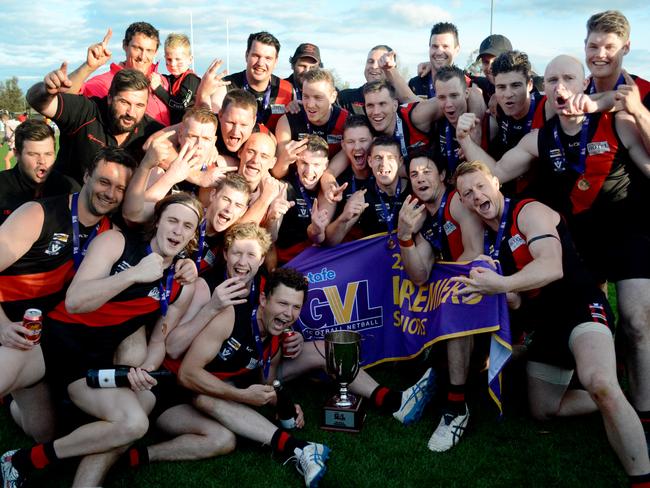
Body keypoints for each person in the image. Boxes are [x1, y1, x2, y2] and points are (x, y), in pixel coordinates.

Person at [455, 54, 650, 451]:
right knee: (579, 316)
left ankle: (643, 411)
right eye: (552, 80)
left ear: (585, 84)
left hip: (626, 233)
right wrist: (465, 141)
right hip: (579, 242)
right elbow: (495, 174)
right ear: (543, 88)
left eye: (568, 78)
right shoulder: (538, 138)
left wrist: (638, 112)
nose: (560, 87)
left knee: (637, 321)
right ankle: (608, 390)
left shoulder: (616, 120)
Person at [453, 160, 650, 485]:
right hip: (545, 326)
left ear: (496, 183)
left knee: (599, 382)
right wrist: (483, 289)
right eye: (467, 193)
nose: (476, 195)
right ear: (462, 202)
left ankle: (641, 475)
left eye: (480, 186)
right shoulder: (487, 239)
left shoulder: (528, 211)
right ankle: (619, 402)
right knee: (543, 409)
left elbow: (551, 267)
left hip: (579, 307)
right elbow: (515, 299)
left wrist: (500, 285)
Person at [0, 193, 201, 488]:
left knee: (132, 424)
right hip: (47, 344)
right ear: (157, 222)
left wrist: (145, 367)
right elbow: (75, 301)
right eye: (172, 220)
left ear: (193, 235)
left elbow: (160, 339)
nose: (177, 231)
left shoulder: (182, 284)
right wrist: (134, 274)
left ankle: (21, 461)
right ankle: (20, 398)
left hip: (89, 368)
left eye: (187, 226)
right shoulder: (117, 243)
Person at [0, 147, 137, 444]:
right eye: (104, 181)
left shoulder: (109, 234)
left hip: (37, 338)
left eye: (119, 188)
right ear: (86, 176)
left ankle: (15, 397)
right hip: (6, 324)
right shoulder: (37, 214)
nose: (110, 193)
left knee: (45, 433)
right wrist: (1, 326)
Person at [27, 65, 163, 183]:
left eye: (139, 105)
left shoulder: (151, 131)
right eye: (124, 102)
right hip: (65, 206)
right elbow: (37, 101)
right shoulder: (86, 111)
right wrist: (46, 90)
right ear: (110, 98)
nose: (131, 112)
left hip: (117, 210)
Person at [67, 22, 171, 125]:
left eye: (149, 50)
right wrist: (88, 67)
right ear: (125, 45)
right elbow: (67, 100)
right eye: (137, 48)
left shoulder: (165, 82)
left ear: (155, 52)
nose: (142, 57)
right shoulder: (103, 83)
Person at [584, 11, 650, 155]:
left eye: (609, 47)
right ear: (585, 46)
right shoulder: (577, 92)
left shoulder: (647, 92)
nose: (600, 54)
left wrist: (638, 110)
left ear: (625, 48)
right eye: (593, 46)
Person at [326, 136, 409, 245]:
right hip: (375, 259)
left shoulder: (414, 191)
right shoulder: (362, 197)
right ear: (370, 161)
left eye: (390, 158)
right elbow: (330, 241)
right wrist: (343, 218)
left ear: (400, 161)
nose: (384, 164)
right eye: (378, 158)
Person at [265, 135, 331, 265]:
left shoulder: (330, 190)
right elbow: (270, 239)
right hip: (289, 262)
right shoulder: (284, 187)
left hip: (320, 262)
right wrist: (272, 218)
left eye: (316, 164)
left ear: (326, 165)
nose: (309, 171)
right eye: (304, 163)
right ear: (296, 162)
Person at [0, 119, 79, 225]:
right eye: (33, 154)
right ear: (17, 154)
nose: (42, 161)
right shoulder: (2, 186)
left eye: (48, 154)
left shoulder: (68, 188)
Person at [273, 69, 347, 178]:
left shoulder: (346, 122)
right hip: (297, 182)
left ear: (333, 97)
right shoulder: (287, 121)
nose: (310, 104)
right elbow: (277, 173)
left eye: (318, 98)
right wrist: (284, 160)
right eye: (306, 96)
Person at [222, 32, 293, 132]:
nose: (260, 63)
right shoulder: (226, 86)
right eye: (256, 56)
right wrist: (204, 95)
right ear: (247, 55)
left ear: (275, 61)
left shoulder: (288, 90)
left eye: (268, 58)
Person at [429, 65, 485, 178]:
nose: (448, 104)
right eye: (442, 97)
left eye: (454, 96)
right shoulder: (435, 123)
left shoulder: (489, 125)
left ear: (466, 94)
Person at [151, 33, 201, 125]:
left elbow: (181, 104)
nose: (173, 64)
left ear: (190, 59)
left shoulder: (191, 79)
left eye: (178, 59)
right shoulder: (169, 79)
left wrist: (158, 89)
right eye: (169, 59)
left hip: (186, 127)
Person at [408, 22, 462, 99]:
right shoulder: (415, 84)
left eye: (445, 46)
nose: (439, 52)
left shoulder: (467, 83)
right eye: (435, 46)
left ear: (456, 50)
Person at [338, 45, 394, 115]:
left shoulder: (400, 98)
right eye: (370, 61)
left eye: (381, 62)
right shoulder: (345, 98)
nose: (374, 66)